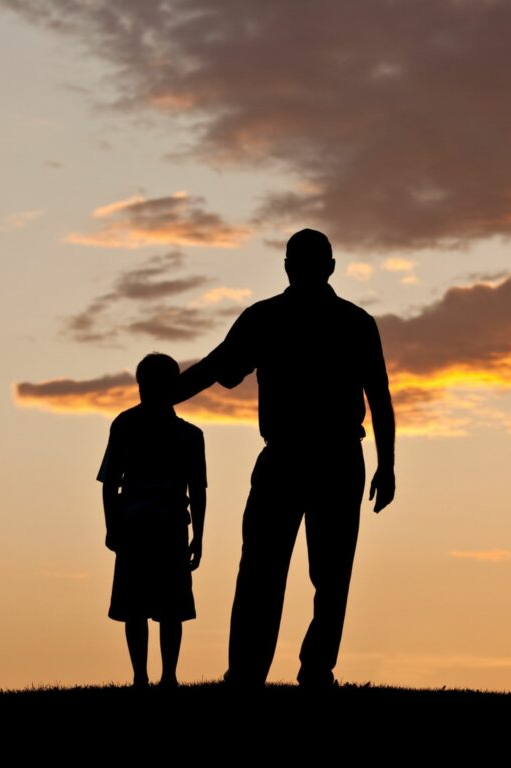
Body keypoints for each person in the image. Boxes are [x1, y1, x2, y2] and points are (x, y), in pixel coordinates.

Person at [173, 228, 395, 690]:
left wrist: (387, 464)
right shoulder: (331, 320)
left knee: (295, 570)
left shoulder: (286, 318)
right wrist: (166, 398)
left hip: (317, 458)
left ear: (295, 266)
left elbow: (379, 395)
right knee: (281, 569)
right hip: (310, 458)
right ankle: (274, 671)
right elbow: (220, 366)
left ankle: (289, 670)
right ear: (325, 266)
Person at [98, 352, 207, 688]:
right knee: (155, 607)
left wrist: (112, 525)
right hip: (155, 528)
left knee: (150, 607)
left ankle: (153, 677)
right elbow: (111, 481)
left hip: (155, 527)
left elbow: (109, 483)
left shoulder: (131, 425)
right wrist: (198, 537)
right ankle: (153, 677)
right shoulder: (183, 433)